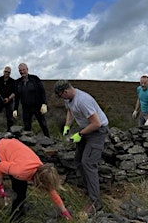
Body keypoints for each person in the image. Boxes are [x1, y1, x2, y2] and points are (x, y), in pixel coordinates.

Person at [0, 138, 73, 223]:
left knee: (20, 193)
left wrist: (64, 211)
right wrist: (0, 186)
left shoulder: (42, 171)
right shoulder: (21, 172)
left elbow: (51, 191)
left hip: (16, 156)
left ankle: (15, 218)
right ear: (39, 183)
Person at [54, 80, 109, 215]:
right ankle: (89, 190)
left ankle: (95, 202)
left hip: (97, 131)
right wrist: (68, 125)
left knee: (88, 163)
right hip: (85, 129)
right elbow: (70, 111)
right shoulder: (69, 99)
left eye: (61, 95)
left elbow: (96, 123)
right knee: (78, 161)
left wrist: (79, 134)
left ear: (66, 91)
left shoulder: (83, 100)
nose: (61, 99)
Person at [13, 63, 50, 137]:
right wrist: (15, 109)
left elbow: (42, 91)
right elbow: (17, 97)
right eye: (20, 70)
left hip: (37, 106)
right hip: (26, 108)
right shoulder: (17, 82)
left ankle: (48, 139)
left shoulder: (35, 79)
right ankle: (28, 142)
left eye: (23, 70)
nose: (22, 72)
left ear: (27, 69)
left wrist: (44, 104)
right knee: (27, 127)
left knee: (43, 124)